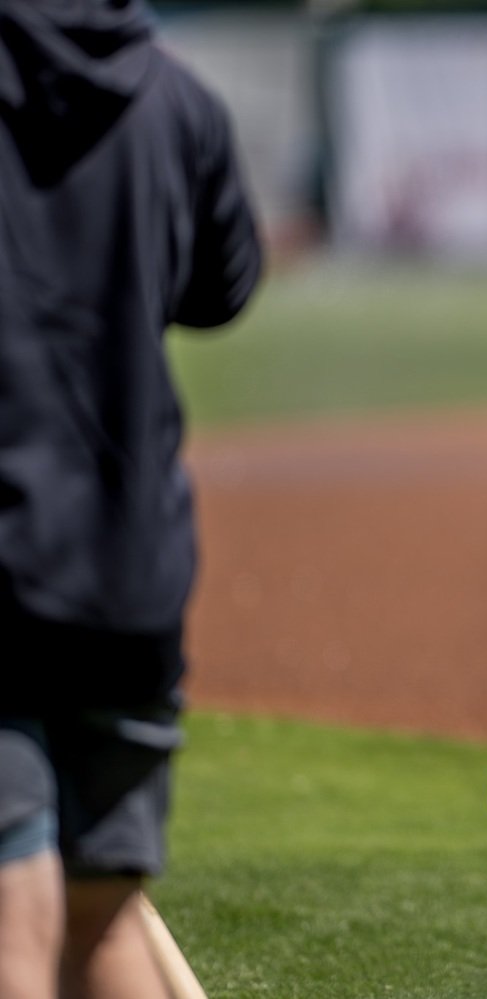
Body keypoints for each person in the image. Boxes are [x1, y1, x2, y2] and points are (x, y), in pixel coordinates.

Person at [0, 0, 262, 994]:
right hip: (130, 572)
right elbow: (221, 287)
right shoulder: (177, 98)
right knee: (102, 924)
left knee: (11, 922)